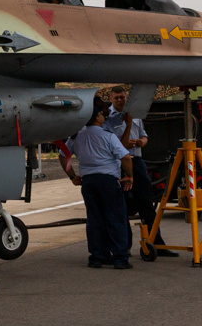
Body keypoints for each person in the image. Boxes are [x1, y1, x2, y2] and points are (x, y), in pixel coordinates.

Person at [62, 101, 135, 268]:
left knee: (94, 220)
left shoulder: (77, 135)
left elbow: (62, 155)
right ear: (96, 117)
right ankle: (120, 258)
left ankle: (97, 256)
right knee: (115, 219)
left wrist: (72, 175)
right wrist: (130, 175)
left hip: (88, 182)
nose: (104, 116)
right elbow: (125, 157)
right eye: (102, 114)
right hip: (108, 181)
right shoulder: (107, 135)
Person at [106, 87, 176, 258]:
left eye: (122, 97)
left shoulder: (135, 114)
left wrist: (142, 142)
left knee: (147, 203)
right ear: (111, 99)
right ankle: (124, 247)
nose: (120, 101)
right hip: (119, 164)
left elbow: (144, 135)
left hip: (137, 162)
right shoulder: (108, 117)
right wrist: (124, 145)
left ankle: (156, 243)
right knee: (121, 207)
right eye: (116, 98)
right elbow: (113, 143)